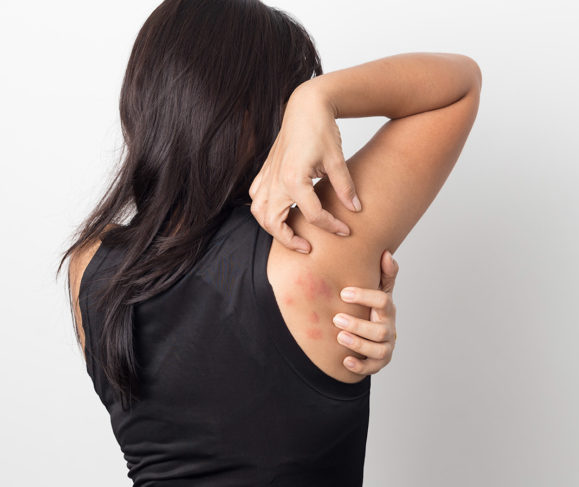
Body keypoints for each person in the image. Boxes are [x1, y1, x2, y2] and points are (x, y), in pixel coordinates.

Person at [58, 0, 481, 485]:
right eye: (287, 100)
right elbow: (459, 86)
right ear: (259, 111)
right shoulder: (313, 245)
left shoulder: (89, 267)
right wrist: (320, 97)